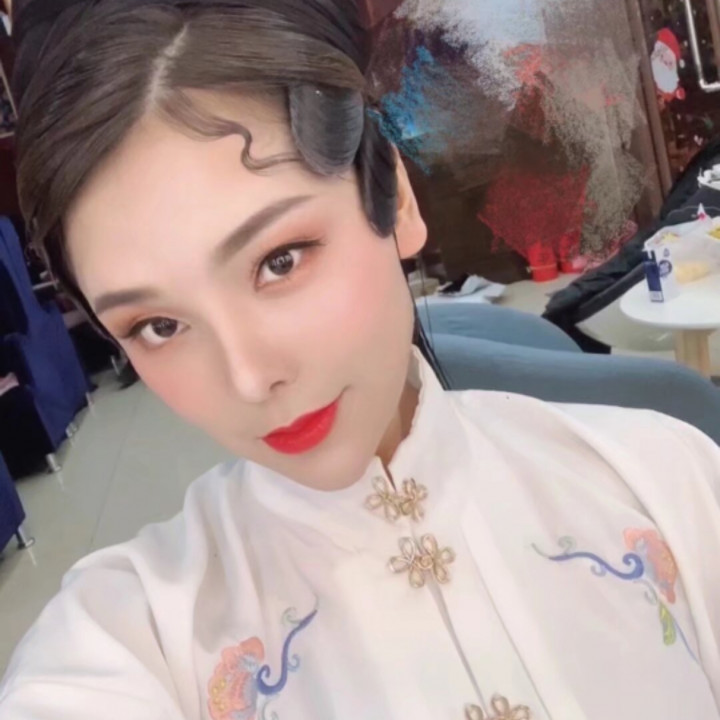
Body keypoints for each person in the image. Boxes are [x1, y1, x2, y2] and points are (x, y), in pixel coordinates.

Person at [1, 1, 720, 719]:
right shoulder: (129, 639)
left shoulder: (664, 480)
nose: (250, 379)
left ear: (396, 199)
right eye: (159, 326)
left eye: (280, 260)